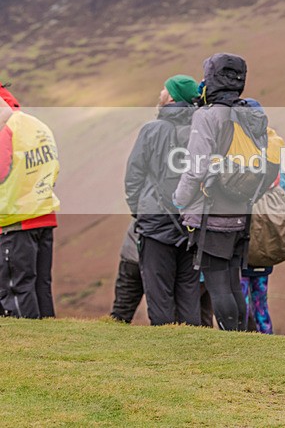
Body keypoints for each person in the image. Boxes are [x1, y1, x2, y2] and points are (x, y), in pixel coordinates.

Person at [173, 53, 274, 332]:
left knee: (217, 282)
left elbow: (196, 166)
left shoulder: (207, 116)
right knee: (231, 279)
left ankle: (232, 340)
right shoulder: (250, 113)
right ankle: (241, 338)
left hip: (210, 210)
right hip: (241, 209)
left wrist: (180, 200)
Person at [125, 75, 200, 326]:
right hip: (192, 224)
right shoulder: (202, 131)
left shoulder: (152, 129)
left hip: (155, 223)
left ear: (171, 97)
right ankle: (193, 349)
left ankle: (165, 352)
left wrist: (139, 211)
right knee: (189, 292)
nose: (160, 94)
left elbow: (133, 176)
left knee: (159, 293)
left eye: (164, 90)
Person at [0, 83, 60, 319]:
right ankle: (49, 344)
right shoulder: (36, 124)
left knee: (16, 289)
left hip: (14, 220)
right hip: (43, 215)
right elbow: (54, 166)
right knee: (40, 286)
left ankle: (29, 347)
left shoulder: (5, 126)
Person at [110, 220, 144, 323]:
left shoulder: (142, 207)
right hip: (158, 262)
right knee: (163, 310)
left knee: (121, 312)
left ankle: (109, 336)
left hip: (130, 256)